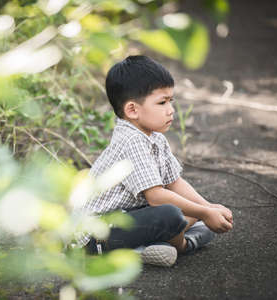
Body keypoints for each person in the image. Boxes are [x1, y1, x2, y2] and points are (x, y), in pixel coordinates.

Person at [74, 55, 233, 267]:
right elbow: (157, 197)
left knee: (200, 219)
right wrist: (204, 213)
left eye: (171, 101)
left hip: (126, 218)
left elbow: (174, 182)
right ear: (132, 110)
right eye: (162, 102)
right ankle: (181, 245)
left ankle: (152, 247)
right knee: (172, 214)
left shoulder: (154, 137)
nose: (171, 110)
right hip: (97, 236)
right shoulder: (131, 140)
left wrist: (209, 207)